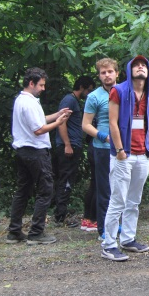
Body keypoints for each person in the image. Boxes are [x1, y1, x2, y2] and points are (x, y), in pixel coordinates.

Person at [7, 67, 71, 245]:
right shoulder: (28, 102)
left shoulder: (23, 100)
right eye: (41, 85)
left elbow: (40, 120)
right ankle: (36, 232)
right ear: (31, 83)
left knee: (23, 190)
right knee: (45, 190)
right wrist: (58, 123)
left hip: (23, 151)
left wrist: (57, 115)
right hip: (35, 151)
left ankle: (14, 231)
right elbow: (38, 130)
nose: (43, 88)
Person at [100, 55, 149, 261]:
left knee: (134, 201)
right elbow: (112, 123)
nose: (140, 67)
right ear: (129, 69)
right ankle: (109, 244)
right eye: (136, 65)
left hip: (143, 154)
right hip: (124, 154)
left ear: (148, 71)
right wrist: (120, 149)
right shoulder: (119, 91)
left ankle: (128, 239)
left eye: (144, 65)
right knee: (118, 200)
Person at [82, 58, 118, 235]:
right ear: (99, 76)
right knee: (104, 189)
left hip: (123, 149)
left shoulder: (125, 92)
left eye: (110, 71)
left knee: (119, 189)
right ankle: (103, 227)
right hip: (102, 149)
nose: (107, 75)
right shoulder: (94, 96)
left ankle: (117, 224)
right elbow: (85, 125)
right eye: (103, 73)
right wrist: (102, 136)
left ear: (116, 73)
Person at [52, 75, 95, 225]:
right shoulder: (69, 100)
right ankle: (60, 217)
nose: (89, 94)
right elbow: (61, 123)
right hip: (67, 147)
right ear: (82, 87)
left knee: (68, 179)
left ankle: (61, 213)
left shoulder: (74, 101)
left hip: (73, 145)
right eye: (88, 90)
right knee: (66, 180)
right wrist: (67, 144)